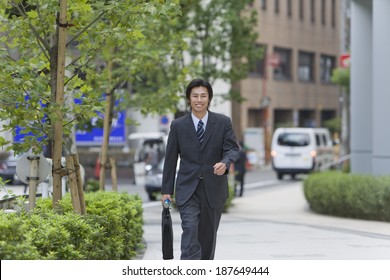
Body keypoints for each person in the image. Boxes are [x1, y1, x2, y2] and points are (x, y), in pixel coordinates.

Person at [161, 78, 239, 260]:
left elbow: (232, 148)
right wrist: (166, 191)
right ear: (189, 98)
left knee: (208, 238)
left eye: (203, 96)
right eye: (195, 95)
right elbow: (170, 159)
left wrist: (225, 163)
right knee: (190, 229)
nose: (199, 99)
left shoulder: (222, 122)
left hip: (214, 189)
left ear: (209, 98)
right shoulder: (178, 125)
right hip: (188, 189)